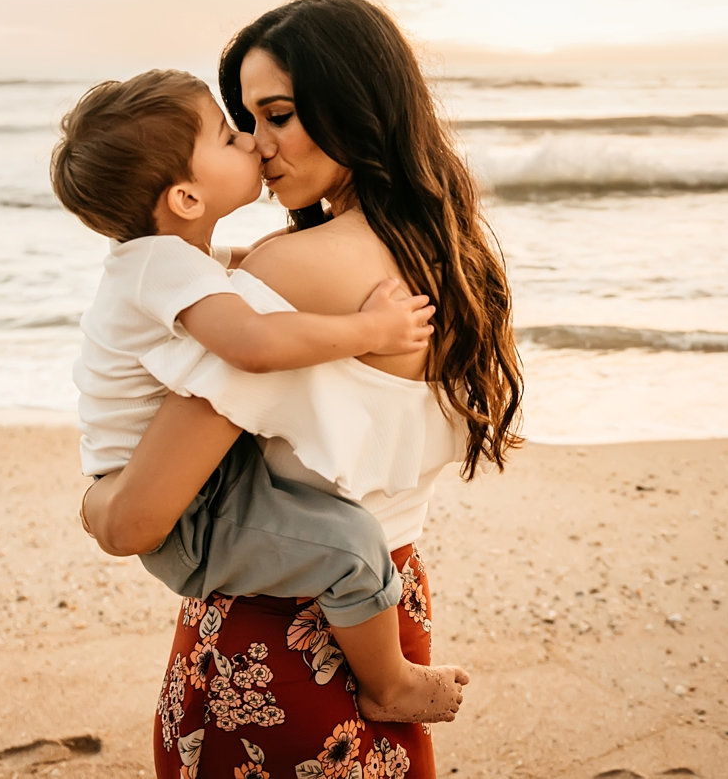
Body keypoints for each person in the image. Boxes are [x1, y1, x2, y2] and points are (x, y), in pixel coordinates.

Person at [82, 0, 523, 779]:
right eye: (244, 120)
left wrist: (94, 500)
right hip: (393, 605)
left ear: (352, 103)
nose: (257, 144)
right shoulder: (450, 257)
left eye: (278, 113)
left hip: (273, 635)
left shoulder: (282, 274)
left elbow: (136, 520)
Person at [50, 68, 467, 725]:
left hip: (195, 489)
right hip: (188, 509)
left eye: (272, 117)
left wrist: (262, 261)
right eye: (229, 131)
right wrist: (371, 328)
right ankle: (389, 685)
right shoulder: (168, 266)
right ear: (186, 197)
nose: (251, 140)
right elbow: (252, 344)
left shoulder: (176, 260)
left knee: (344, 541)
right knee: (352, 543)